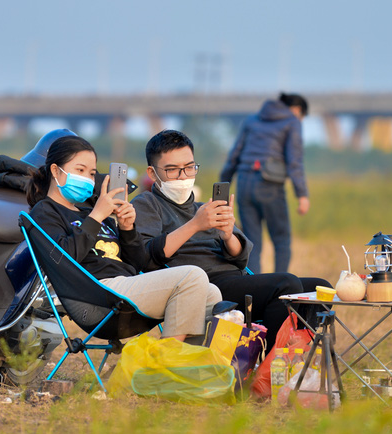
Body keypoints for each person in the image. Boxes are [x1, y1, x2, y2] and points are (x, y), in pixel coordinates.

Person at [131, 129, 330, 351]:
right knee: (286, 284)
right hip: (201, 286)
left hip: (235, 278)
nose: (183, 176)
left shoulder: (202, 208)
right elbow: (147, 257)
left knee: (319, 288)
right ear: (152, 172)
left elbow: (241, 257)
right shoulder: (146, 204)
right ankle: (269, 372)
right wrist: (195, 225)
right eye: (172, 170)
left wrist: (227, 234)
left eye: (189, 167)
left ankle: (298, 358)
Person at [26, 135, 223, 342]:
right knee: (193, 276)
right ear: (56, 170)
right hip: (97, 295)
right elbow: (63, 259)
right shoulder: (45, 212)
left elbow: (139, 264)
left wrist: (127, 229)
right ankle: (163, 364)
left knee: (211, 293)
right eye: (80, 170)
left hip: (126, 289)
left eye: (92, 173)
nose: (88, 179)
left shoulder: (90, 211)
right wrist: (97, 216)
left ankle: (190, 366)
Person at [219, 93, 309, 274]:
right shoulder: (292, 121)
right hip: (270, 185)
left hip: (244, 183)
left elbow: (234, 156)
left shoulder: (252, 120)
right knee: (282, 240)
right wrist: (302, 195)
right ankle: (280, 290)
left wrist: (221, 189)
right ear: (297, 110)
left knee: (251, 242)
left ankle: (253, 291)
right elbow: (294, 161)